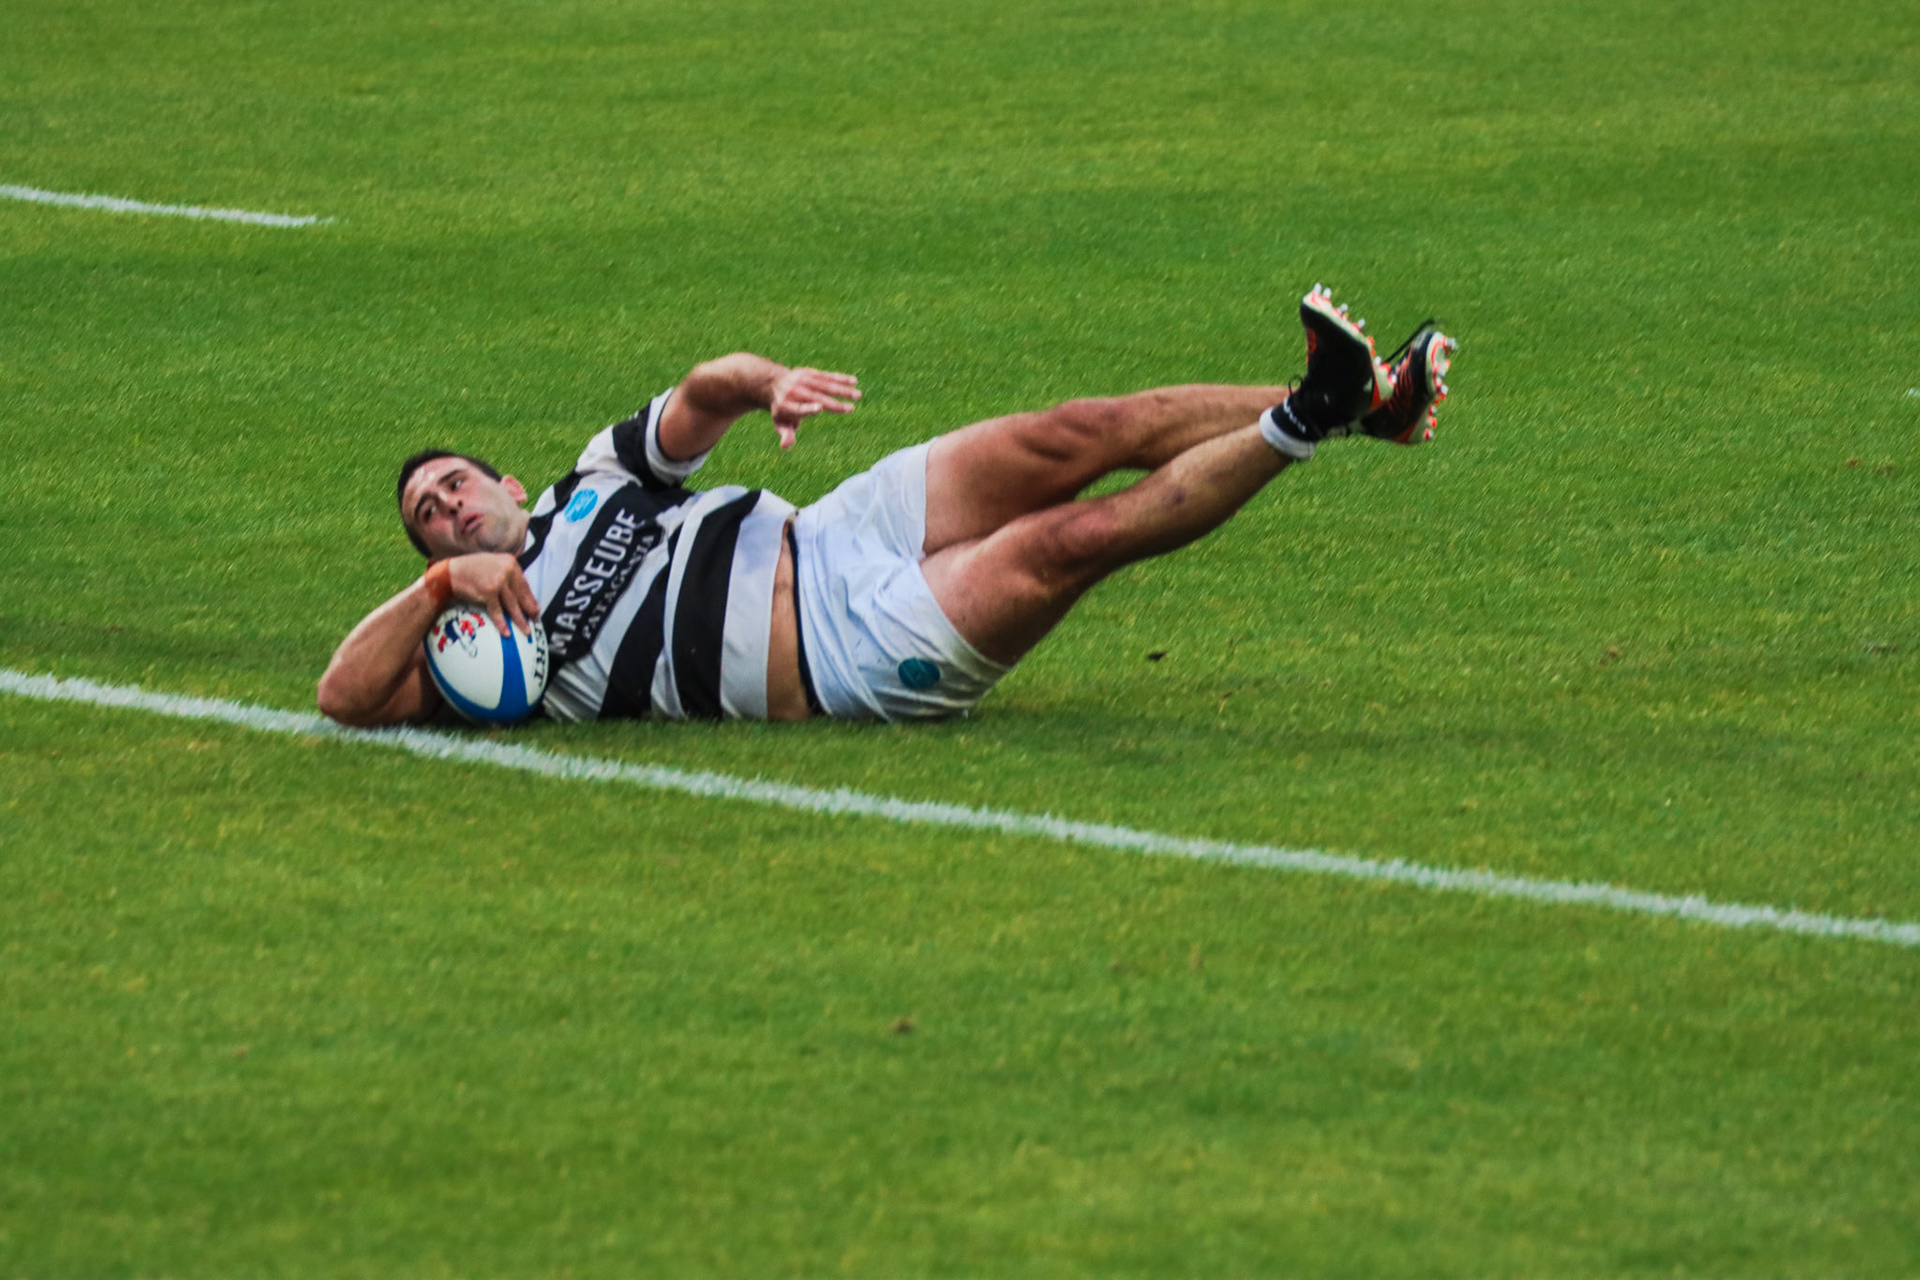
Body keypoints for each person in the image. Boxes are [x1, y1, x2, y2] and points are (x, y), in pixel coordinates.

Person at [316, 287, 1454, 728]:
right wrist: (436, 589)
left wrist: (763, 383)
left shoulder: (594, 478)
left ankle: (1371, 402)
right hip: (843, 652)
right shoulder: (480, 646)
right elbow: (342, 698)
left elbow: (702, 392)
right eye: (427, 515)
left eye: (452, 483)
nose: (447, 507)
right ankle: (1310, 413)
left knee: (1076, 429)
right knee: (1070, 541)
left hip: (836, 529)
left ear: (507, 484)